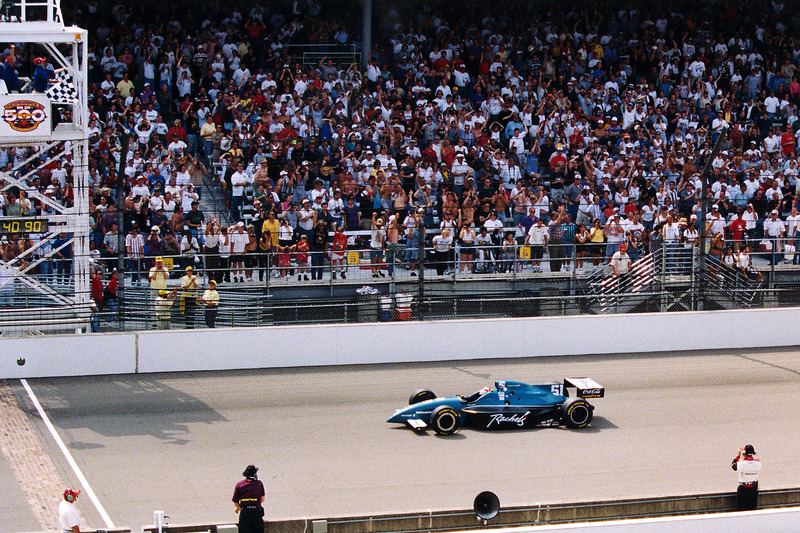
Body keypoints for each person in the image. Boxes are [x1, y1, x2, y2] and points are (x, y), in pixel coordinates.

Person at [232, 464, 265, 533]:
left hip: (245, 512)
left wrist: (237, 507)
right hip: (256, 512)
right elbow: (262, 498)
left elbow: (235, 499)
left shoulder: (239, 484)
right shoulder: (259, 484)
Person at [731, 444, 761, 510]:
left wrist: (738, 455)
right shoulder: (758, 463)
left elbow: (733, 465)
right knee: (752, 509)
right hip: (753, 489)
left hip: (743, 489)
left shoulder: (741, 463)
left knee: (742, 510)